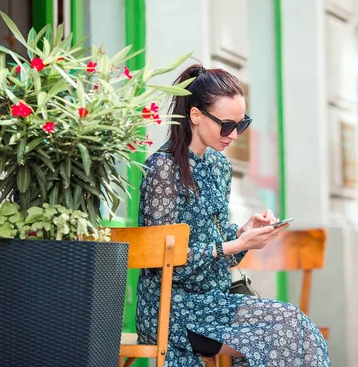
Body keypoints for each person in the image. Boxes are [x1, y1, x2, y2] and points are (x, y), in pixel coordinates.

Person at [136, 64, 331, 366]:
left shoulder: (219, 166)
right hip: (172, 308)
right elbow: (163, 261)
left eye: (242, 124)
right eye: (226, 125)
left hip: (215, 301)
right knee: (287, 327)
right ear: (196, 115)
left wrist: (243, 234)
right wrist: (237, 245)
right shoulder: (163, 168)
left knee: (297, 328)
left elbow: (217, 249)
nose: (234, 134)